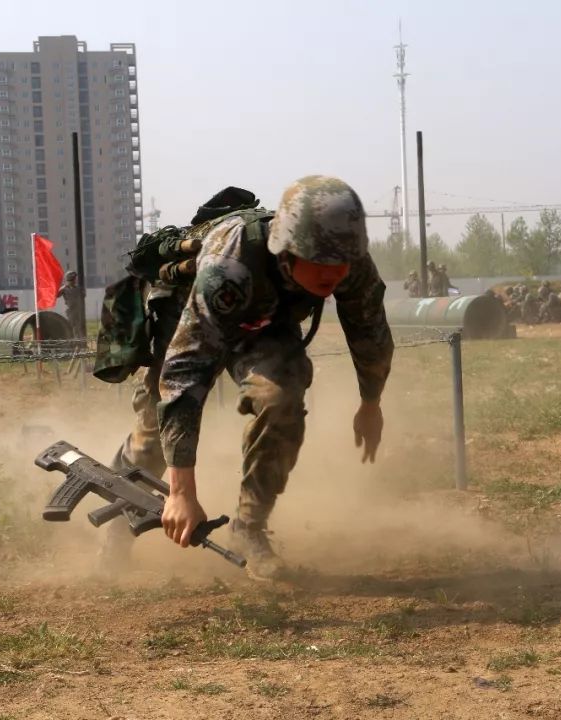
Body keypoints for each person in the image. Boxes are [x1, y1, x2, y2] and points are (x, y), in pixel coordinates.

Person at [113, 176, 394, 580]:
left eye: (343, 260)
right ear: (288, 250)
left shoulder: (350, 264)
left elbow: (370, 333)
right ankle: (116, 534)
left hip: (263, 324)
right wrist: (181, 492)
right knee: (154, 440)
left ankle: (249, 530)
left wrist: (370, 403)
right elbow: (184, 374)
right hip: (191, 314)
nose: (335, 272)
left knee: (281, 399)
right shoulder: (229, 266)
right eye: (320, 260)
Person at [57, 270, 86, 340]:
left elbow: (83, 295)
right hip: (71, 310)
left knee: (79, 326)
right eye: (74, 279)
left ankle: (80, 341)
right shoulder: (64, 288)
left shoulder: (78, 288)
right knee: (71, 326)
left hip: (79, 310)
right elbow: (57, 295)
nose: (75, 280)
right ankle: (71, 340)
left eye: (75, 279)